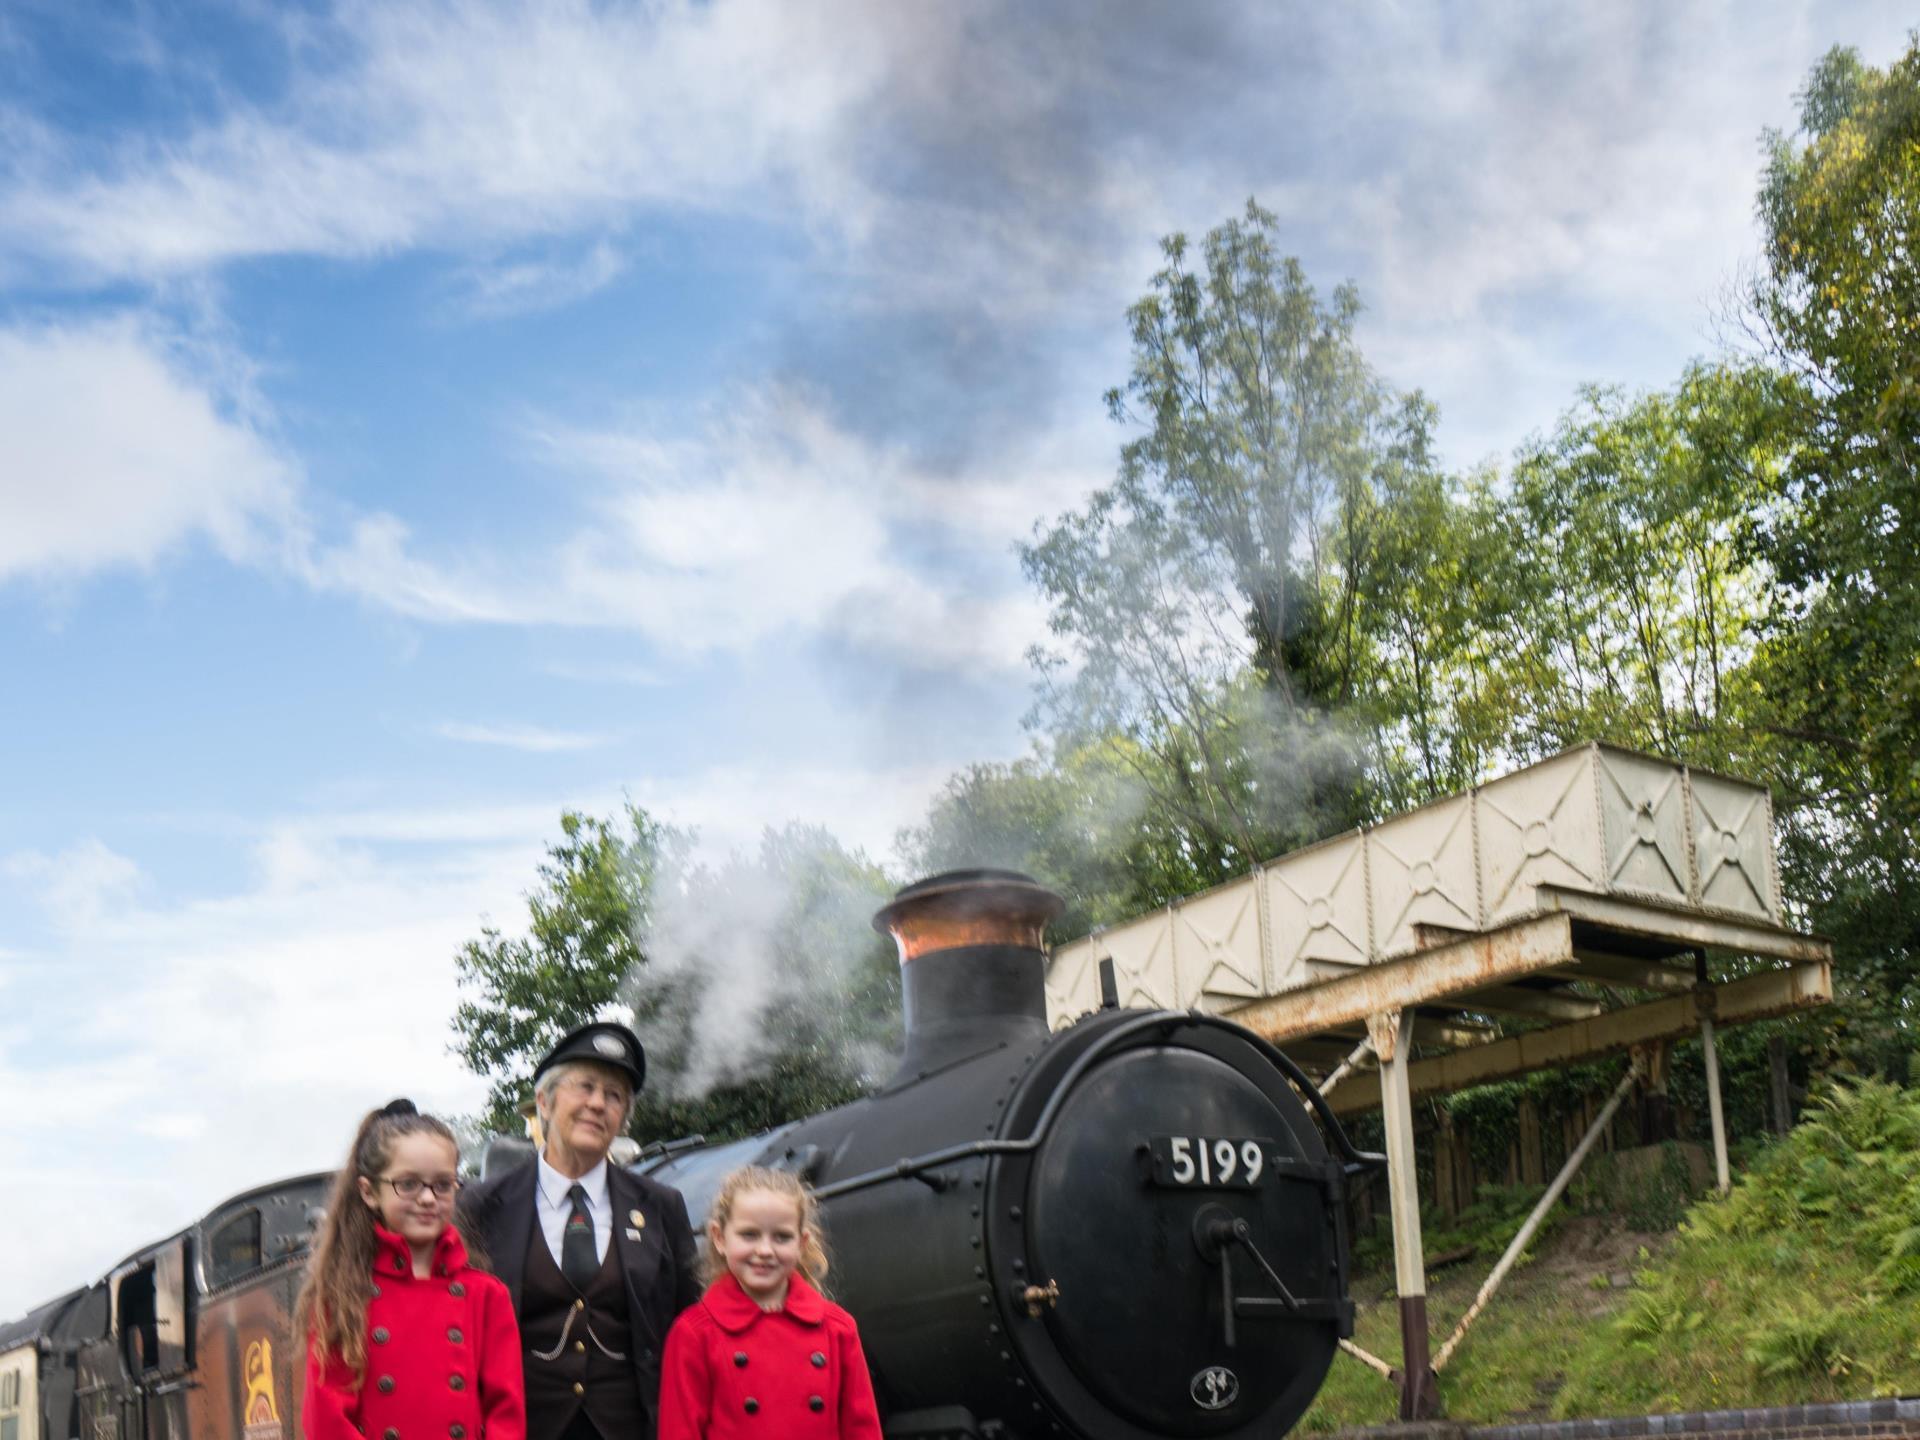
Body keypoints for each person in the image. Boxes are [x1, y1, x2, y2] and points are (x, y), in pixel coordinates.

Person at [460, 1021, 700, 1440]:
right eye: (585, 1087)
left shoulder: (661, 1207)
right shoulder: (480, 1207)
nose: (597, 1104)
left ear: (623, 1118)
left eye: (614, 1096)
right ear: (545, 1103)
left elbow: (689, 1324)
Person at [297, 1100, 525, 1440]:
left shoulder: (487, 1295)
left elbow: (506, 1413)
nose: (429, 1198)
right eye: (408, 1184)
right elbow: (327, 1421)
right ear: (369, 1192)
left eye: (443, 1185)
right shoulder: (341, 1297)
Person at [657, 1167, 881, 1440]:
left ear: (802, 1243)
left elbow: (863, 1430)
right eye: (749, 1235)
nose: (765, 1250)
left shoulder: (838, 1328)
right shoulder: (693, 1333)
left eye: (782, 1237)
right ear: (719, 1238)